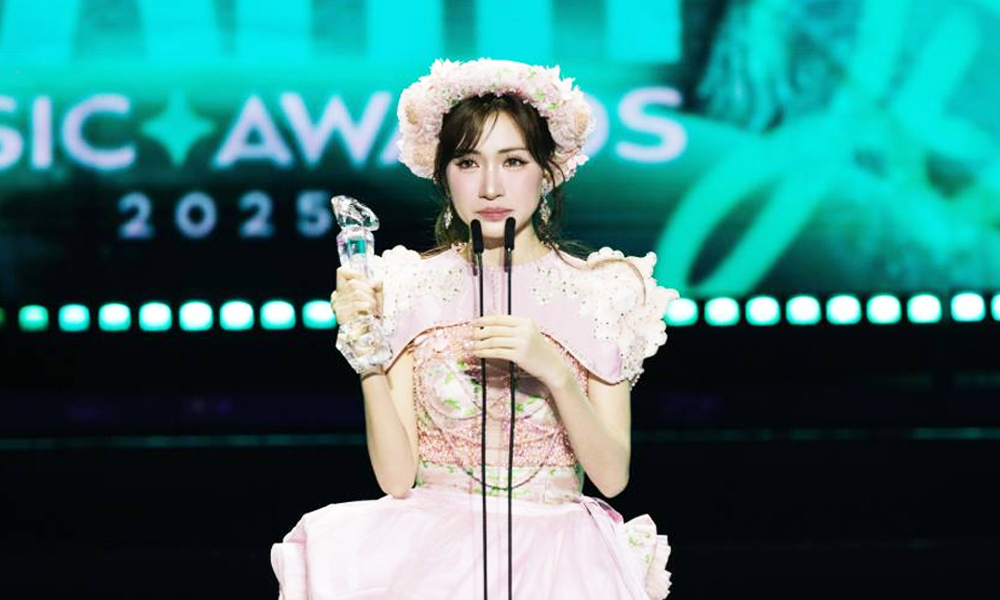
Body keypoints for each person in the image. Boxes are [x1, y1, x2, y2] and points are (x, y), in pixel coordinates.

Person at [271, 59, 678, 600]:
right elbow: (395, 478)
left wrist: (554, 371)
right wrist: (365, 349)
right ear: (444, 175)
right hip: (432, 558)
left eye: (513, 161)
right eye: (468, 162)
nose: (490, 186)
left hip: (560, 561)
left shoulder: (602, 292)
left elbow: (611, 476)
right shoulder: (407, 284)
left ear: (547, 173)